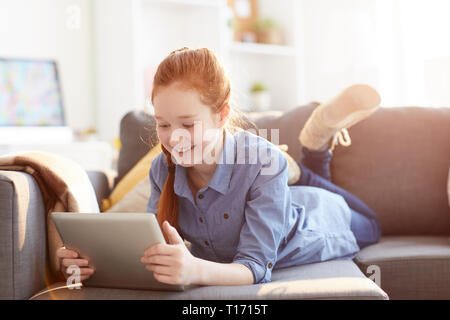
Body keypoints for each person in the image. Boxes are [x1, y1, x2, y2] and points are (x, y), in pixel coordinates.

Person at [56, 47, 381, 286]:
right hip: (275, 195)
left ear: (222, 115)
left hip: (321, 218)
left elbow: (254, 268)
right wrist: (89, 263)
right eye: (163, 125)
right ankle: (307, 156)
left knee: (374, 223)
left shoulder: (263, 161)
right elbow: (153, 252)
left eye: (187, 123)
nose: (174, 139)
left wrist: (195, 270)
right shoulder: (161, 168)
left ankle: (315, 145)